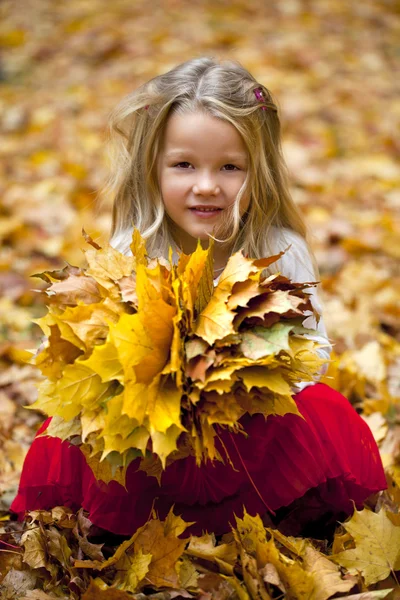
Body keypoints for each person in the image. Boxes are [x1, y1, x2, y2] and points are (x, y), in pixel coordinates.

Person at [11, 57, 386, 540]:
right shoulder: (137, 246)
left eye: (230, 167)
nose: (206, 186)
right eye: (184, 164)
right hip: (158, 437)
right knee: (69, 426)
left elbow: (314, 351)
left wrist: (246, 374)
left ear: (260, 170)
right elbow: (106, 339)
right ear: (154, 167)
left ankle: (278, 513)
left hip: (251, 433)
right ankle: (127, 526)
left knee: (322, 408)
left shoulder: (280, 247)